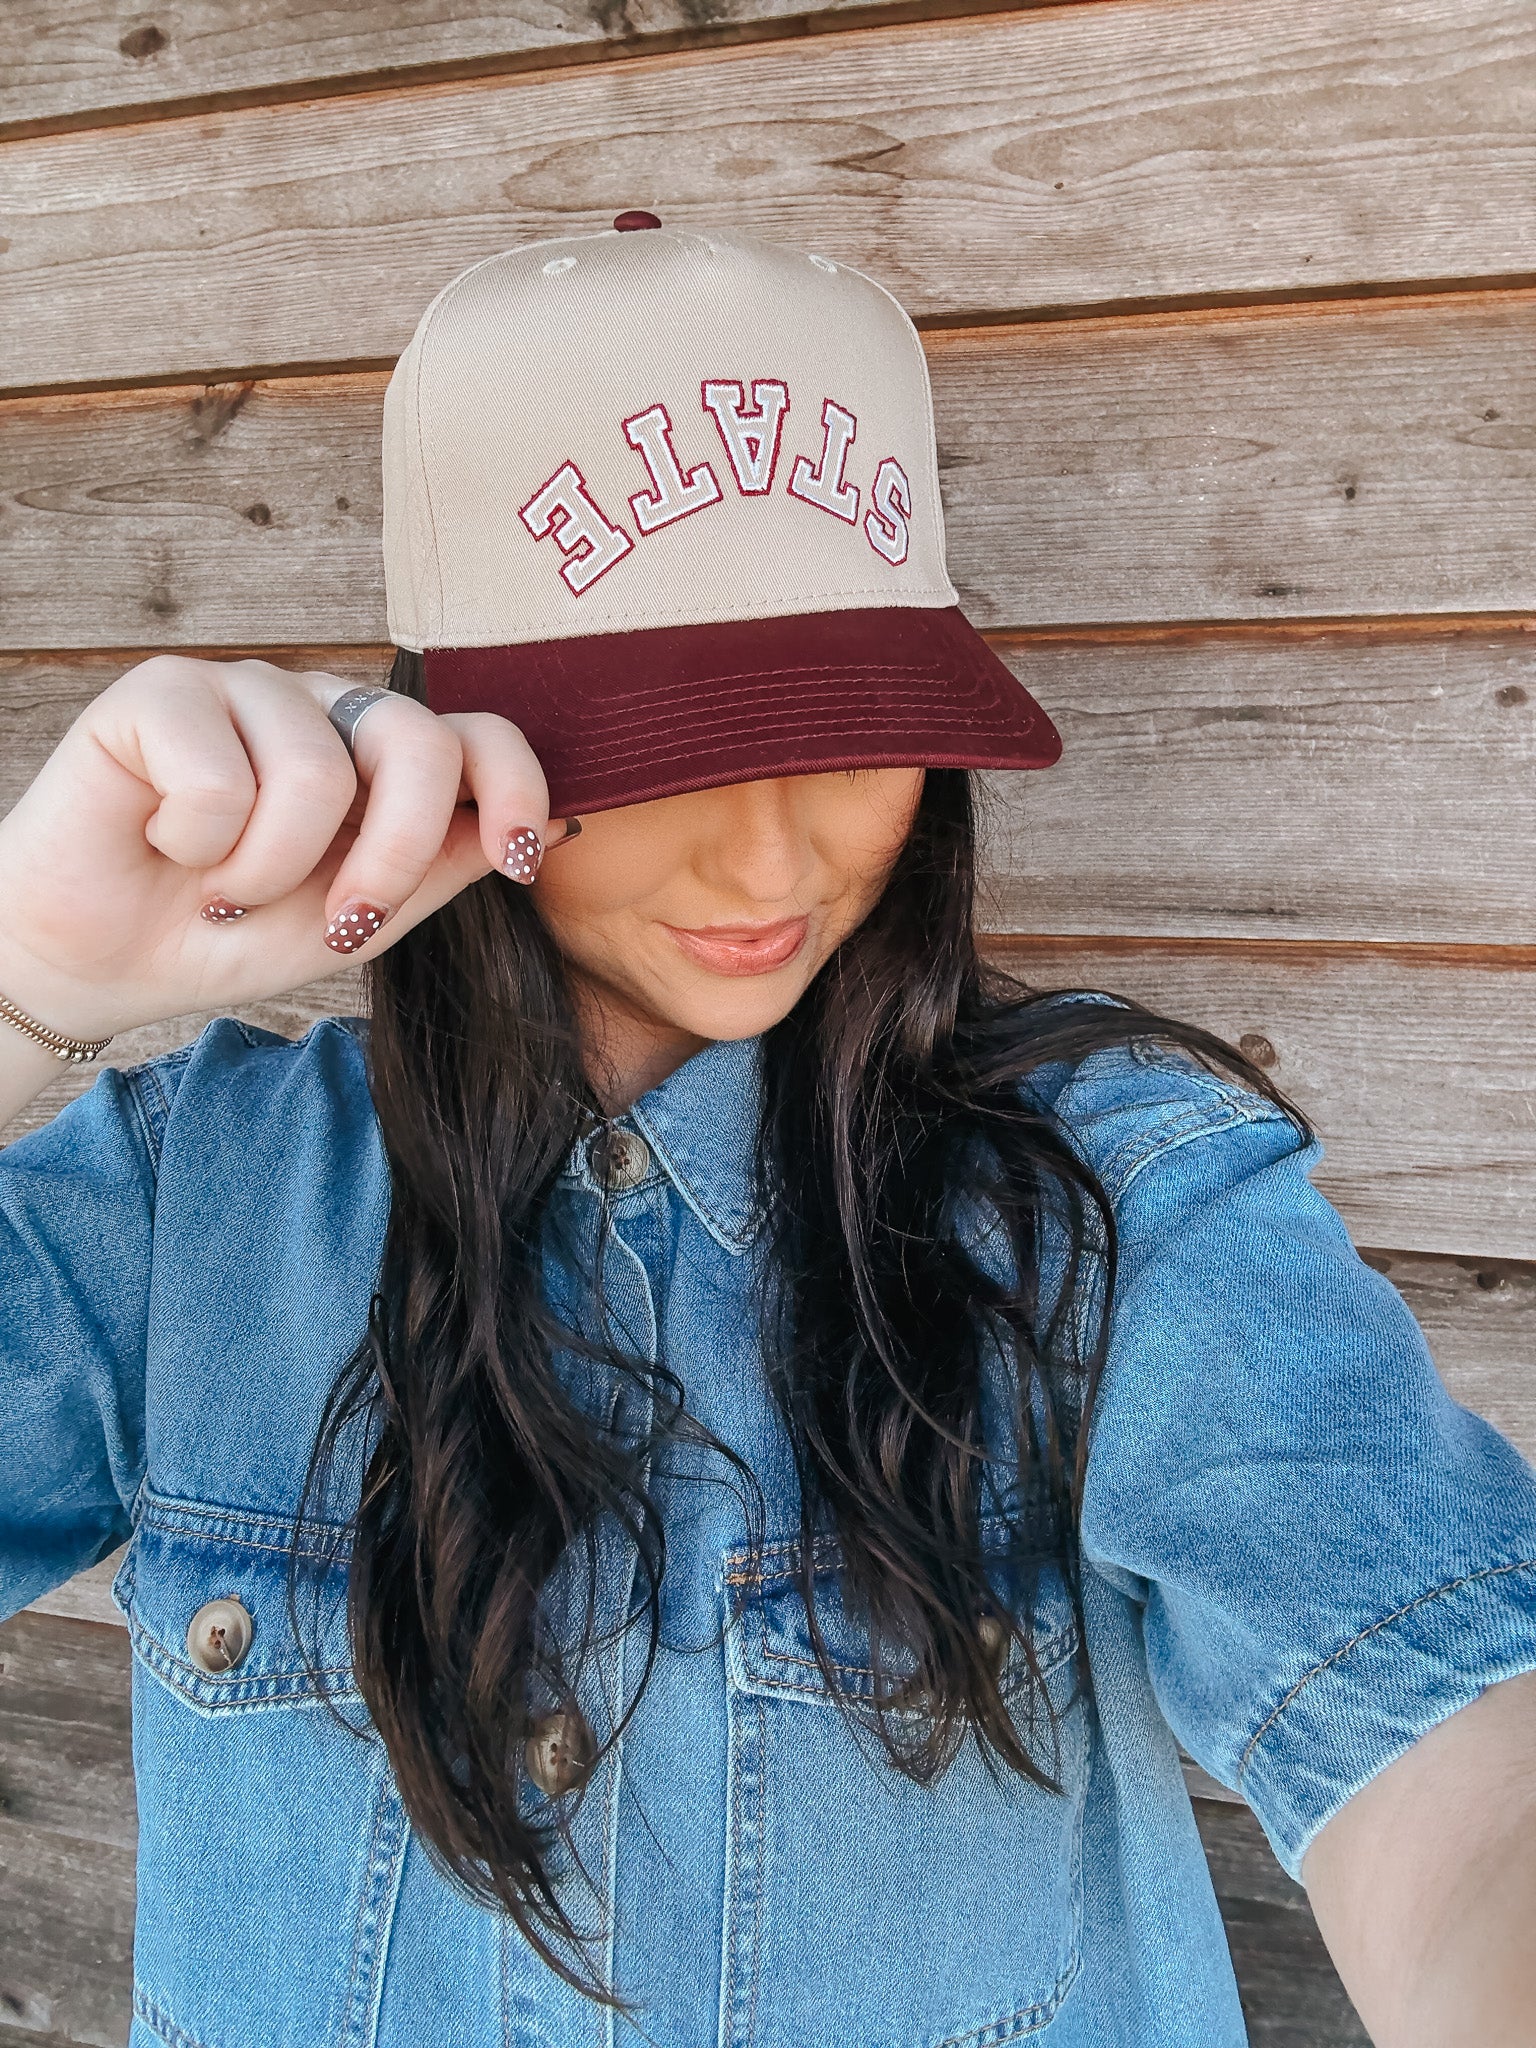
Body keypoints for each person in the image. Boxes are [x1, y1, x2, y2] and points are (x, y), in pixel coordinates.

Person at [1, 217, 1534, 2048]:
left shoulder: (1114, 1204)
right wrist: (20, 987)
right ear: (446, 738)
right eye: (663, 749)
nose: (769, 859)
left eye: (850, 729)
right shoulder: (185, 1208)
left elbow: (1457, 1764)